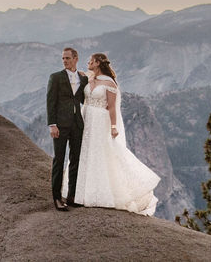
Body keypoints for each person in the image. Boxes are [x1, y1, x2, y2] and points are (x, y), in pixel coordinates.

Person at [73, 52, 160, 216]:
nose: (88, 63)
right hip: (86, 118)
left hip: (100, 120)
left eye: (91, 61)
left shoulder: (109, 83)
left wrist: (113, 126)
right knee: (86, 153)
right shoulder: (89, 78)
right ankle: (83, 193)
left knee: (101, 154)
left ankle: (102, 193)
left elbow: (112, 107)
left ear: (98, 63)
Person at [45, 47, 88, 211]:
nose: (64, 61)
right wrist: (52, 124)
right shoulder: (55, 77)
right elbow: (51, 101)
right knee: (59, 160)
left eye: (68, 58)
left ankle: (72, 196)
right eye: (63, 58)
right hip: (60, 126)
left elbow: (84, 99)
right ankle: (56, 198)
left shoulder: (82, 79)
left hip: (77, 125)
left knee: (75, 161)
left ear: (76, 58)